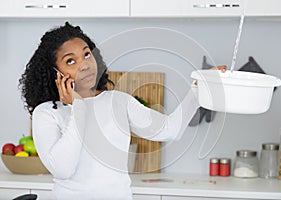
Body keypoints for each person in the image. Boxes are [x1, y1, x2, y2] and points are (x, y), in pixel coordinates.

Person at [19, 22, 226, 200]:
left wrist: (200, 88)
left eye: (87, 55)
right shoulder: (47, 113)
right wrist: (79, 107)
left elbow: (169, 129)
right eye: (70, 61)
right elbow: (63, 169)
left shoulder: (117, 101)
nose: (85, 65)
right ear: (54, 73)